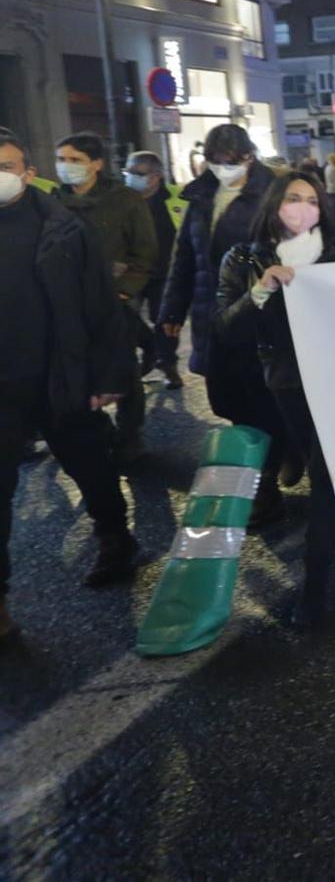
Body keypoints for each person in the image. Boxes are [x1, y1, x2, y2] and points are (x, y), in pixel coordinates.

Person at [215, 172, 335, 627]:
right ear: (274, 204)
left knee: (325, 478)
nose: (302, 208)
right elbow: (225, 327)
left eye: (311, 201)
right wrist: (260, 290)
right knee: (330, 472)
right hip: (289, 383)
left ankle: (315, 587)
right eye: (292, 199)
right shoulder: (244, 258)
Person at [0, 130, 138, 639]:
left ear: (27, 171)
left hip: (61, 375)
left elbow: (99, 306)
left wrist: (108, 377)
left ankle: (115, 539)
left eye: (8, 165)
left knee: (89, 465)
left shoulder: (63, 227)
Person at [161, 124, 287, 517]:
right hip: (212, 315)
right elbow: (185, 256)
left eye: (231, 162)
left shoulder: (273, 194)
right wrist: (171, 309)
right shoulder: (200, 195)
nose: (223, 169)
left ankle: (263, 485)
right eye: (215, 162)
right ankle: (262, 466)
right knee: (229, 398)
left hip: (258, 313)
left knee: (263, 400)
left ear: (249, 157)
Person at [55, 132, 156, 462]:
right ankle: (99, 429)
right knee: (78, 369)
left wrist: (126, 290)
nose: (66, 167)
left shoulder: (125, 200)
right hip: (69, 303)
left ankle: (130, 434)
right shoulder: (53, 202)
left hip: (116, 301)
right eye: (62, 160)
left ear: (96, 164)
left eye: (76, 160)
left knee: (122, 368)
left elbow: (145, 252)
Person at [122, 150, 182, 389]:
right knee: (125, 318)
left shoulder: (177, 199)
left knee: (165, 322)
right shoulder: (121, 200)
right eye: (128, 172)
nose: (130, 177)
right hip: (131, 273)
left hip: (165, 274)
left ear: (155, 177)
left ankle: (167, 364)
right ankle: (149, 350)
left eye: (137, 173)